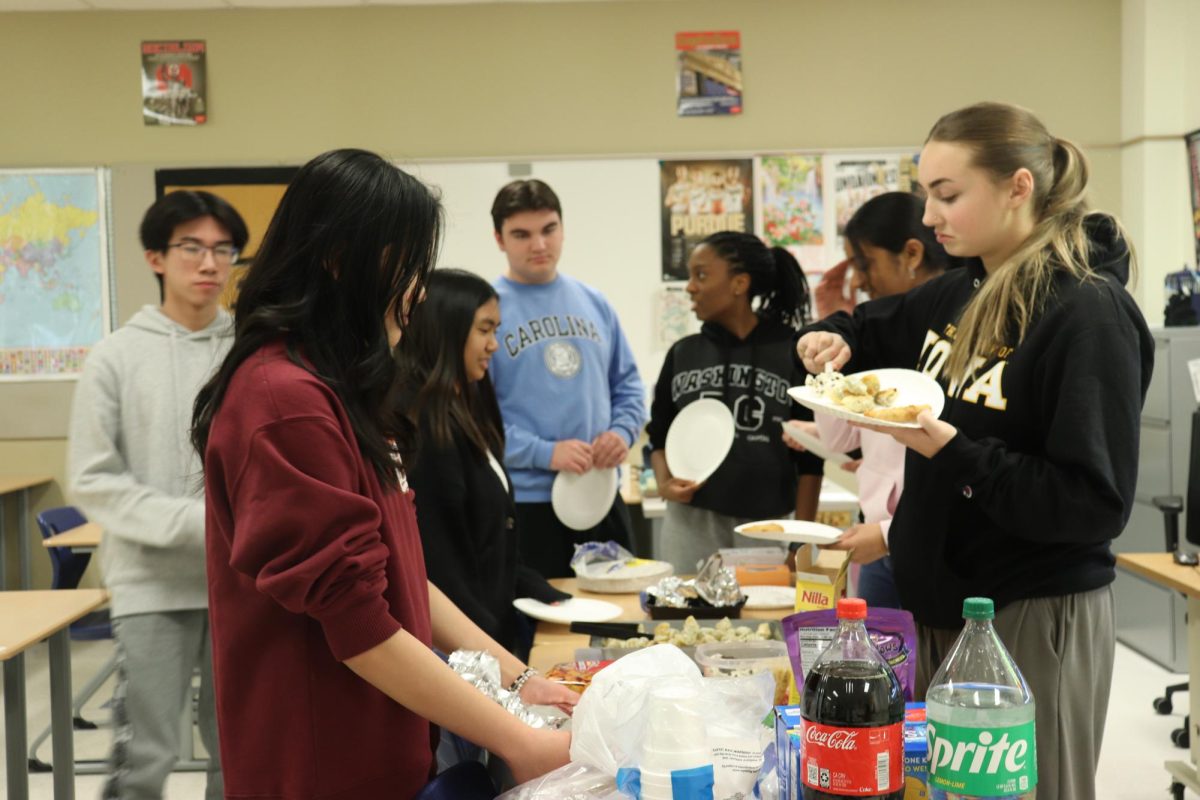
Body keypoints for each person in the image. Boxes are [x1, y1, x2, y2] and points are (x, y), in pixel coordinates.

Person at [796, 102, 1154, 800]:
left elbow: (1090, 504)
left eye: (948, 195)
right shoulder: (959, 289)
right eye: (927, 193)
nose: (928, 218)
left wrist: (951, 450)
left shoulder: (1087, 312)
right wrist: (828, 338)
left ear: (1019, 187)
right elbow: (867, 326)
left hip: (1031, 611)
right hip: (943, 607)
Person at [191, 149, 575, 800]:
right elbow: (360, 624)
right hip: (321, 764)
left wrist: (517, 680)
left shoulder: (341, 389)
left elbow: (403, 578)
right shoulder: (284, 402)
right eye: (408, 266)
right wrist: (519, 741)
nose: (418, 291)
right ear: (343, 259)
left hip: (384, 749)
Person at [68, 189, 248, 800]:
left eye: (223, 250)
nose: (209, 264)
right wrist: (198, 522)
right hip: (150, 585)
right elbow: (92, 478)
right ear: (155, 257)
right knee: (145, 754)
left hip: (242, 582)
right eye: (192, 248)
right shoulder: (115, 357)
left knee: (239, 749)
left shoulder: (249, 352)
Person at [786, 192, 960, 608]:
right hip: (878, 540)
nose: (859, 280)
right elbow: (841, 438)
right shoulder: (874, 328)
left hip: (925, 545)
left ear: (912, 254)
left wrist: (886, 535)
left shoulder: (949, 335)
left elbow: (958, 469)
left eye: (864, 263)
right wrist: (831, 353)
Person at [401, 268, 571, 659]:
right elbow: (440, 563)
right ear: (446, 328)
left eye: (496, 330)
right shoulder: (424, 424)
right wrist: (493, 652)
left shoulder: (467, 408)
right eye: (484, 329)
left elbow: (492, 537)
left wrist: (539, 589)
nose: (494, 345)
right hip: (461, 645)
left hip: (485, 632)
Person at [488, 179, 647, 578]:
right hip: (527, 504)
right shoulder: (485, 311)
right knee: (540, 629)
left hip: (601, 495)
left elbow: (628, 387)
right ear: (499, 239)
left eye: (549, 229)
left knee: (618, 625)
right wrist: (545, 452)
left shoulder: (594, 302)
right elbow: (474, 420)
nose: (539, 245)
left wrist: (622, 433)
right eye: (521, 234)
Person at [646, 231, 824, 573]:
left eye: (701, 275)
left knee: (762, 624)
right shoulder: (683, 353)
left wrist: (802, 541)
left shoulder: (792, 353)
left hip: (768, 526)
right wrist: (665, 482)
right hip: (690, 523)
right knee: (687, 622)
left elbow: (811, 458)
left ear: (739, 283)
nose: (690, 287)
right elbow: (658, 435)